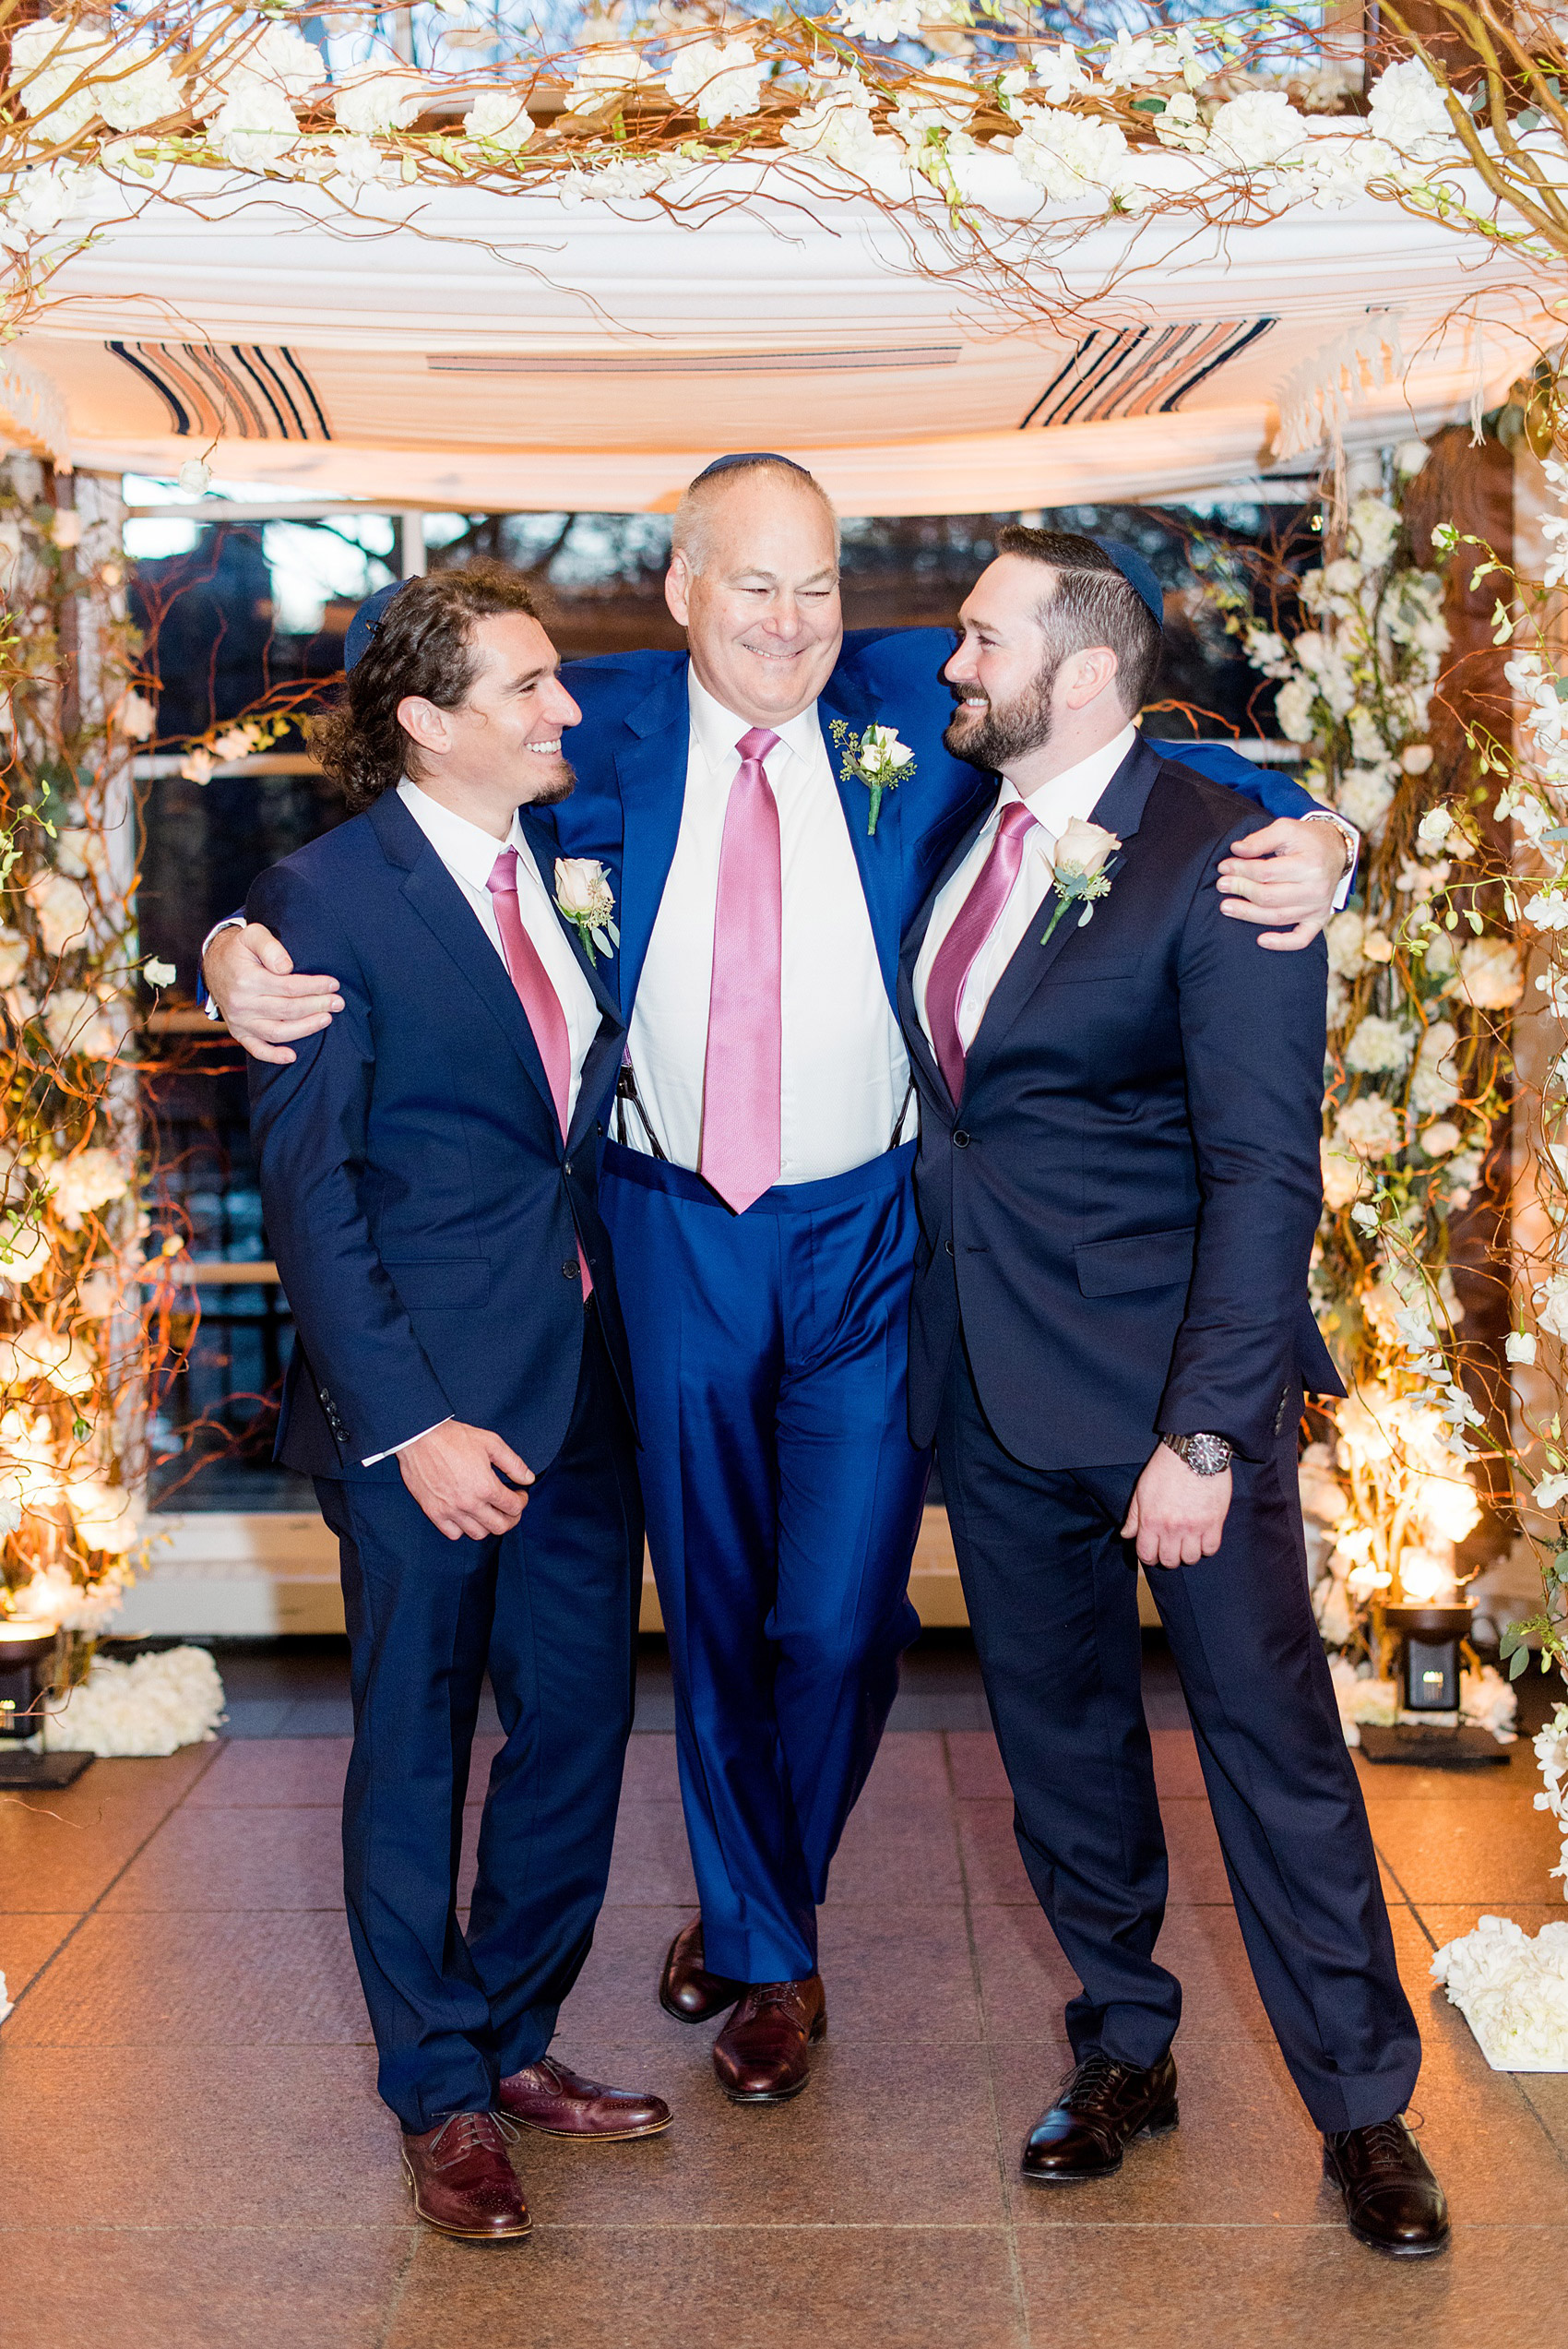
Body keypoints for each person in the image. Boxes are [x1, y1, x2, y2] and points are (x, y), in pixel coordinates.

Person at [206, 462, 1354, 2109]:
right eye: (755, 587)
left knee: (836, 1614)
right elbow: (386, 838)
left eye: (818, 584)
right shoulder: (579, 718)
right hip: (666, 1229)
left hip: (877, 1229)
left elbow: (1158, 762)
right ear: (680, 591)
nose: (792, 621)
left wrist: (1333, 834)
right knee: (719, 1603)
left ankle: (761, 1896)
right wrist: (234, 945)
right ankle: (767, 1946)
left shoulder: (914, 690)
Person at [899, 528, 1447, 2257]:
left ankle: (1366, 2107)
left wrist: (1207, 1434)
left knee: (1271, 1755)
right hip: (993, 1396)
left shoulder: (1237, 860)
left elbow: (1265, 1176)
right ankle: (1126, 2043)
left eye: (980, 642)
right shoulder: (957, 831)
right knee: (1060, 1758)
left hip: (1174, 1412)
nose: (949, 670)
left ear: (1084, 671)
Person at [245, 562, 670, 2246]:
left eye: (556, 682)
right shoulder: (320, 900)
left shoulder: (562, 862)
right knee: (415, 1747)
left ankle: (512, 2035)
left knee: (575, 1731)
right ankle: (435, 2088)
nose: (565, 708)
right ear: (425, 722)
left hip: (579, 1388)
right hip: (419, 1415)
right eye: (527, 688)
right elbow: (311, 1199)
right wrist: (406, 1419)